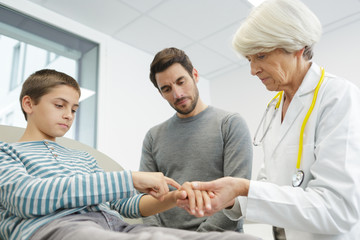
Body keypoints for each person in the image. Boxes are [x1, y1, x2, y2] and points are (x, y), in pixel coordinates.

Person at [0, 69, 260, 240]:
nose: (68, 115)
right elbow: (27, 198)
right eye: (59, 105)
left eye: (75, 109)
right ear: (28, 103)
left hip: (117, 226)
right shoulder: (6, 152)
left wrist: (172, 198)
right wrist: (130, 179)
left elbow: (123, 206)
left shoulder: (83, 159)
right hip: (60, 229)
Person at [177, 0, 360, 239]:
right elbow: (270, 186)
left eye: (260, 56)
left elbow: (338, 209)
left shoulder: (337, 97)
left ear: (296, 46)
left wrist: (244, 188)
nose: (253, 70)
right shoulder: (275, 107)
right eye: (249, 59)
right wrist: (230, 199)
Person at [139, 47, 253, 232]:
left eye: (181, 82)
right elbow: (145, 198)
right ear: (161, 93)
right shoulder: (153, 137)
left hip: (219, 236)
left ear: (195, 75)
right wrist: (157, 236)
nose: (178, 94)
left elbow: (236, 195)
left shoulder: (230, 124)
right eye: (167, 89)